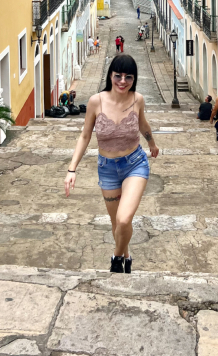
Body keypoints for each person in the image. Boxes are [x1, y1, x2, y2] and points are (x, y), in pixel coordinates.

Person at [64, 54, 159, 273]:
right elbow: (85, 136)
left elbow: (143, 124)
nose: (123, 81)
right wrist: (72, 169)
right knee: (116, 224)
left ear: (134, 79)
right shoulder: (96, 101)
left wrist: (152, 143)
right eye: (118, 75)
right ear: (110, 75)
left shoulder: (138, 99)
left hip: (135, 163)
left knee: (124, 219)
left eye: (129, 77)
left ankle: (116, 259)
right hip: (107, 169)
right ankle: (127, 257)